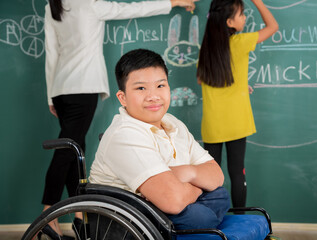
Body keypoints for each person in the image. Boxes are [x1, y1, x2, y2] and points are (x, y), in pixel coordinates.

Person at [41, 0, 198, 239]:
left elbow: (51, 51)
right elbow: (132, 9)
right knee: (67, 150)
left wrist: (51, 95)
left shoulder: (53, 5)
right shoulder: (90, 5)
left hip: (61, 89)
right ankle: (48, 216)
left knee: (75, 150)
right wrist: (172, 2)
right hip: (84, 86)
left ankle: (80, 215)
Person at [89, 49, 230, 230]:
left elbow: (216, 176)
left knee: (221, 195)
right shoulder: (125, 134)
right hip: (130, 220)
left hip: (162, 207)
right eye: (141, 88)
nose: (153, 96)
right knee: (201, 214)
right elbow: (173, 201)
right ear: (122, 98)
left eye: (160, 86)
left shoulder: (172, 122)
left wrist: (187, 173)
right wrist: (197, 188)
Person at [196, 0, 278, 210]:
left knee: (211, 177)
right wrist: (257, 2)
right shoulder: (241, 42)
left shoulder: (205, 50)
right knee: (237, 172)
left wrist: (242, 86)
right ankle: (240, 219)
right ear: (230, 21)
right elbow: (272, 27)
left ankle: (211, 221)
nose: (244, 18)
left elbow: (203, 80)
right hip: (237, 123)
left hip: (213, 125)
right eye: (242, 14)